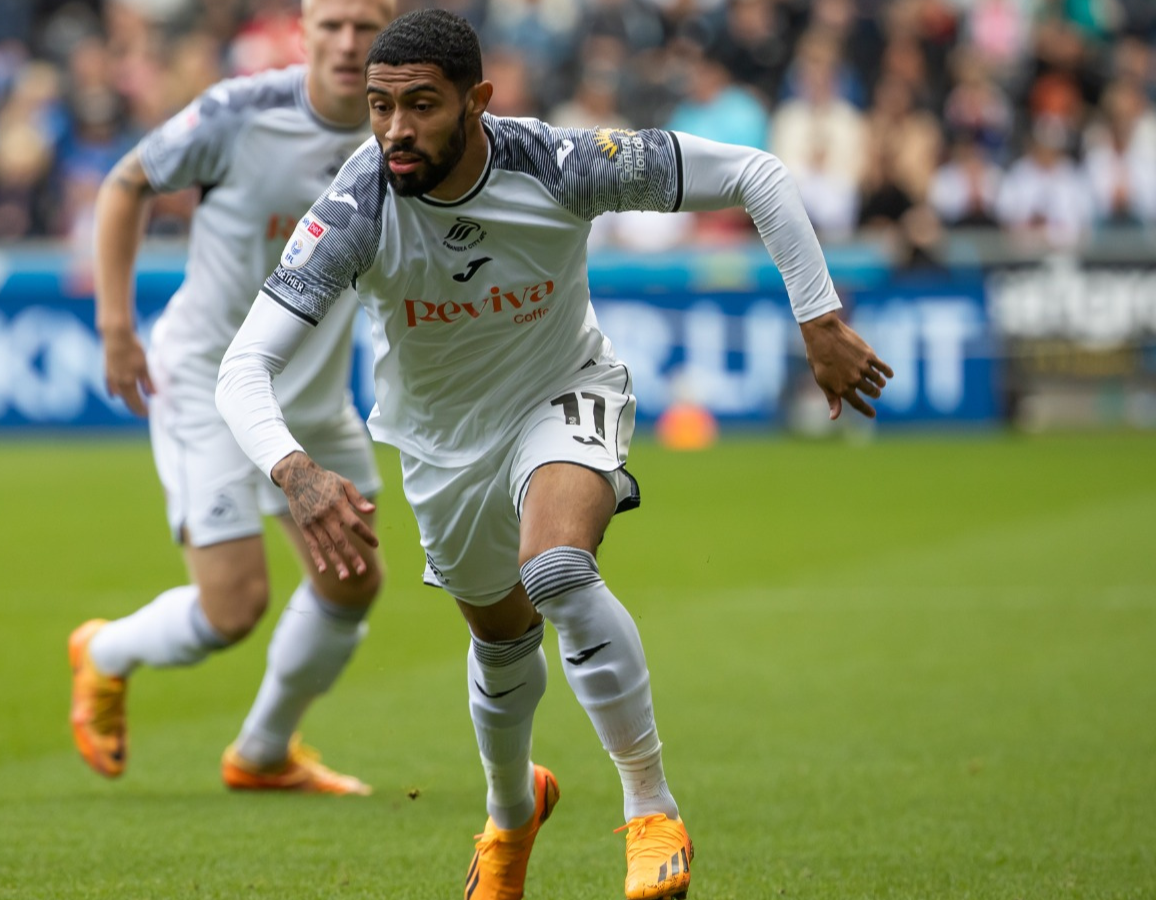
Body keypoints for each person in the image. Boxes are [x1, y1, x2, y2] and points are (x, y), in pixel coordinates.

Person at [215, 9, 892, 899]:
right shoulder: (358, 205)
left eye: (421, 105)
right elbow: (241, 369)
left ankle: (651, 809)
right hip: (440, 442)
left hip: (562, 390)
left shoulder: (562, 163)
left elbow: (759, 175)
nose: (396, 130)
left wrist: (819, 316)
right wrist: (295, 471)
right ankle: (509, 814)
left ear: (478, 101)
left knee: (558, 567)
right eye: (381, 107)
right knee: (501, 646)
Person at [69, 0, 396, 796]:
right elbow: (126, 183)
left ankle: (262, 752)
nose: (349, 44)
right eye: (334, 25)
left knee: (352, 580)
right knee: (233, 607)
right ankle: (104, 653)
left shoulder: (409, 129)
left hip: (312, 399)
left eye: (367, 27)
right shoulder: (241, 113)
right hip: (210, 381)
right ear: (305, 29)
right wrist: (116, 325)